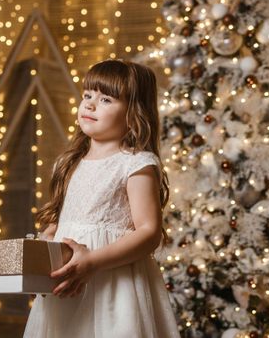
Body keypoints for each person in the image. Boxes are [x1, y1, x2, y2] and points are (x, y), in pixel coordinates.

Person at [23, 59, 180, 338]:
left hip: (114, 284)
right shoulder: (69, 163)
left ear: (134, 114)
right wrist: (47, 242)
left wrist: (93, 262)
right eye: (87, 95)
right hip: (70, 280)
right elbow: (63, 220)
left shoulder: (136, 164)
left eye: (106, 99)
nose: (90, 105)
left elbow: (149, 232)